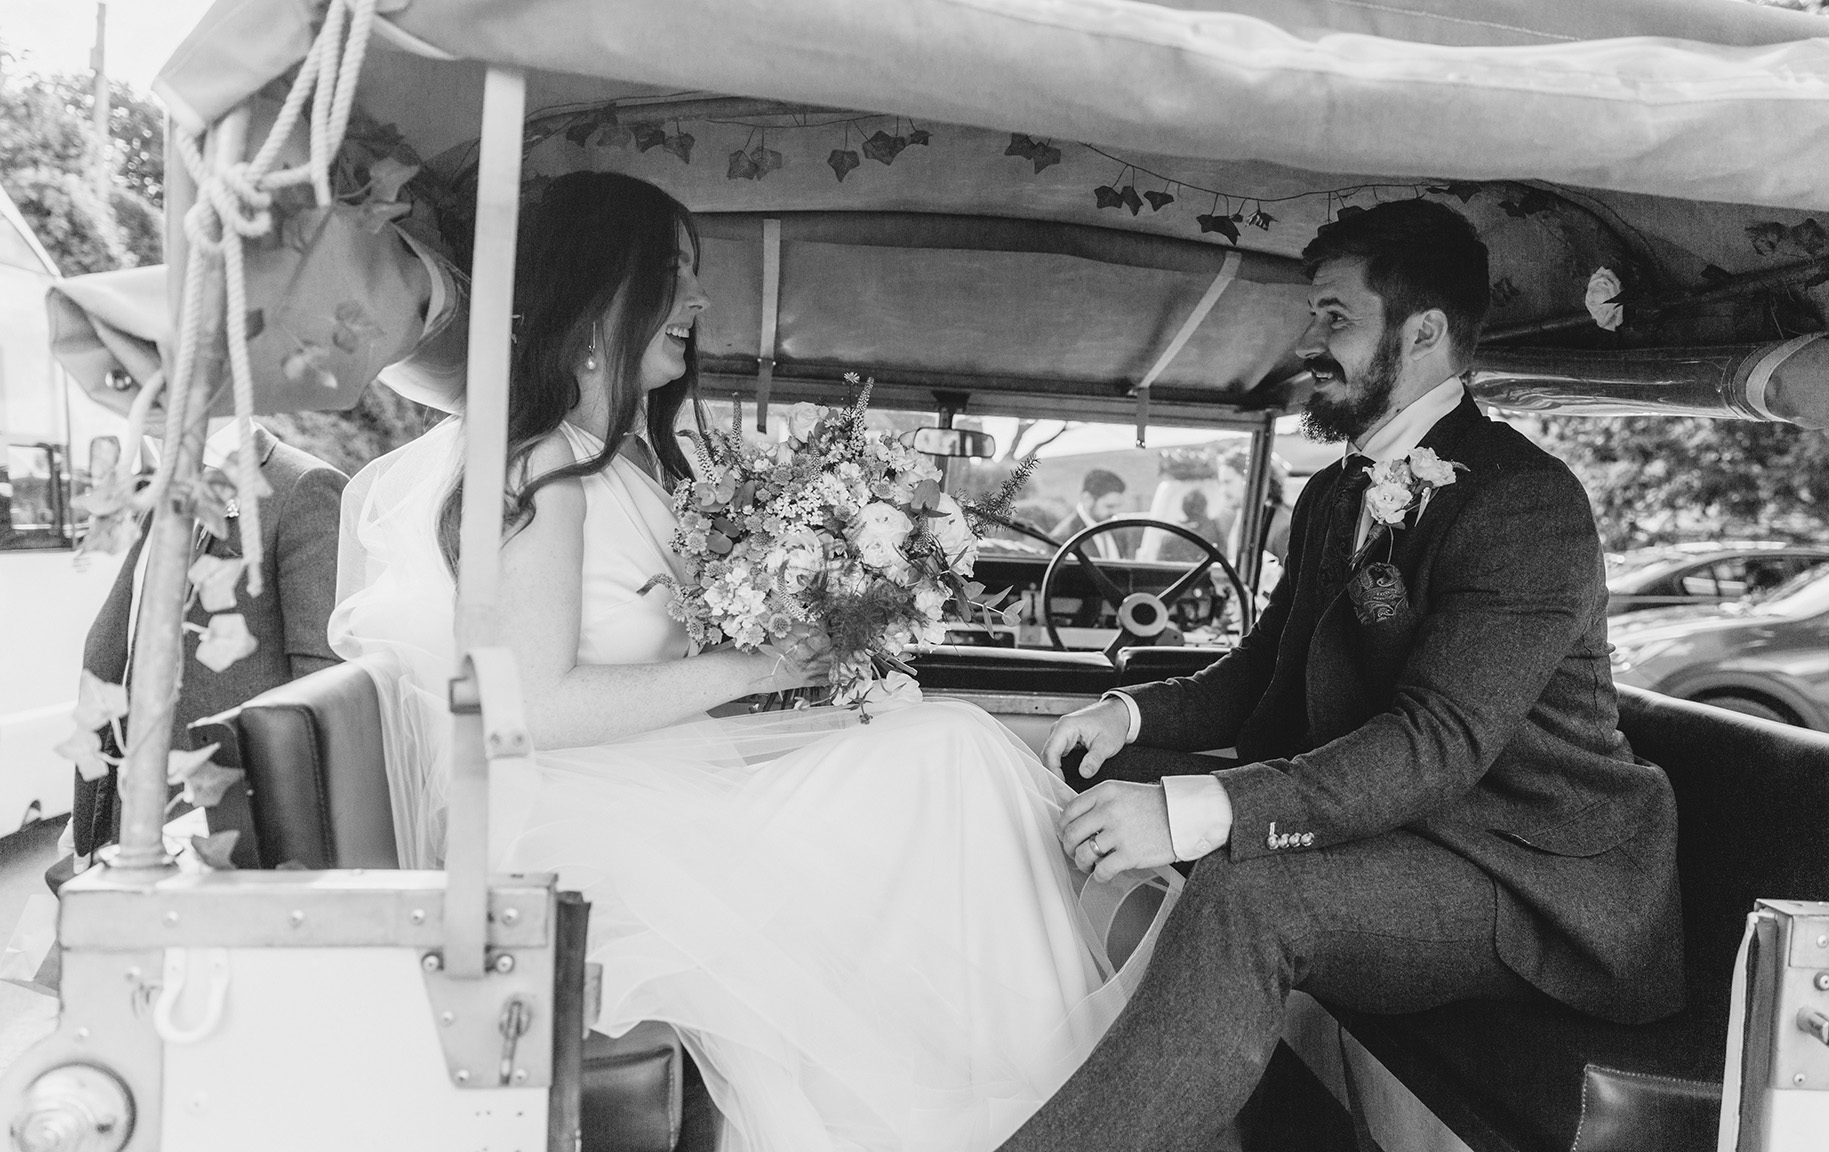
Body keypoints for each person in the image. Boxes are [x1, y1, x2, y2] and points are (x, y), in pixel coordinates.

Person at [329, 172, 1177, 1151]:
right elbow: (536, 711)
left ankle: (1055, 1093)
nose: (695, 304)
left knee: (945, 746)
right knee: (947, 754)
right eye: (672, 276)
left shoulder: (632, 465)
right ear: (601, 291)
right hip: (576, 824)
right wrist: (760, 666)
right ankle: (1068, 1107)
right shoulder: (539, 469)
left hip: (650, 779)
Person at [1001, 201, 1682, 1150]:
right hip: (1407, 823)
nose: (1310, 343)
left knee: (1251, 896)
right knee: (1074, 797)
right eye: (1313, 317)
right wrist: (1128, 716)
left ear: (1427, 332)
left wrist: (1201, 809)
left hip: (1523, 870)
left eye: (1335, 319)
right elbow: (1262, 668)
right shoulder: (1334, 493)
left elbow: (1435, 742)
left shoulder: (1525, 503)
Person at [66, 413, 347, 868]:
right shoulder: (160, 499)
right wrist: (93, 815)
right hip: (131, 826)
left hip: (235, 834)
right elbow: (126, 657)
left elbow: (319, 696)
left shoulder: (303, 487)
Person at [1050, 467, 1127, 558]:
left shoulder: (1116, 530)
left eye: (1118, 506)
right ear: (1087, 499)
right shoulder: (1063, 538)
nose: (1115, 512)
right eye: (1109, 506)